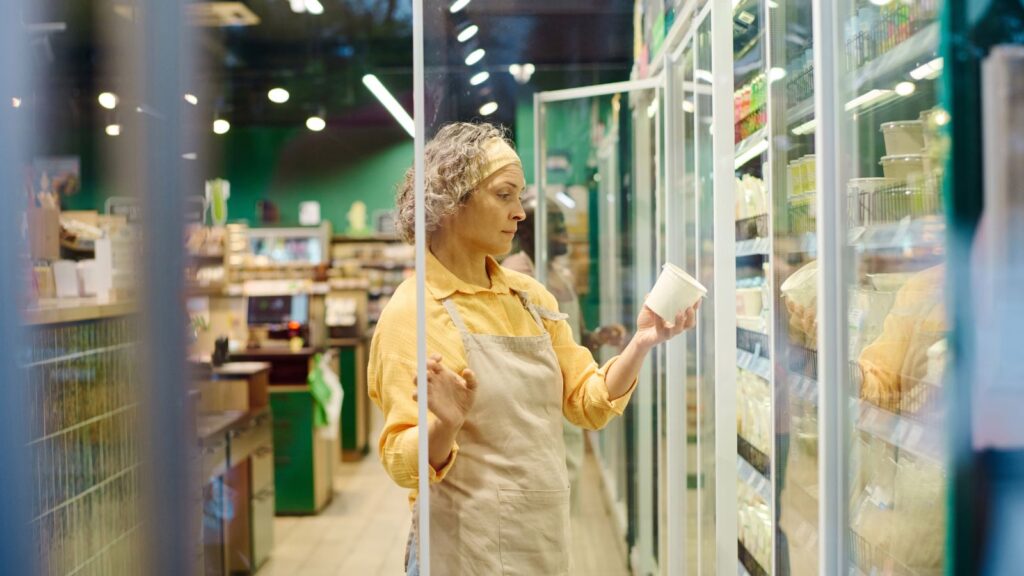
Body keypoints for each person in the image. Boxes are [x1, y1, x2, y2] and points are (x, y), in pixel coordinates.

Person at [367, 122, 698, 575]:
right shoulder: (414, 312)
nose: (520, 213)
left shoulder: (530, 297)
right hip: (463, 552)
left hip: (539, 542)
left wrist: (641, 343)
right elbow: (403, 464)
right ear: (449, 201)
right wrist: (445, 424)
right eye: (504, 195)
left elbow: (588, 403)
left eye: (519, 197)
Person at [501, 192, 626, 515]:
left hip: (568, 399)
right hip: (538, 405)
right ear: (527, 232)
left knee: (568, 491)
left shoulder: (559, 274)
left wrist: (597, 337)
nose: (564, 233)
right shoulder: (517, 275)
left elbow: (571, 337)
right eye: (554, 225)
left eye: (562, 223)